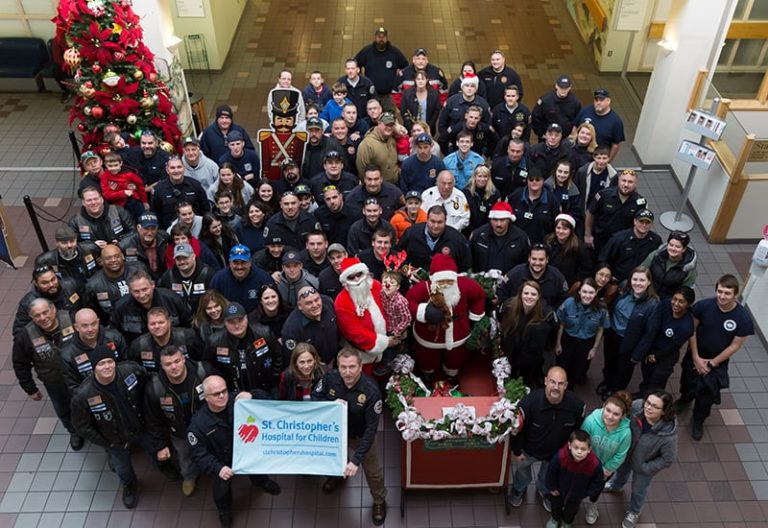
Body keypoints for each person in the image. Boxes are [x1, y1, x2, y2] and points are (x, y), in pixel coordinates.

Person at [70, 345, 164, 509]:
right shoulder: (83, 395)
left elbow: (149, 379)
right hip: (115, 440)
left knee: (154, 448)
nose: (106, 366)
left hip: (141, 427)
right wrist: (106, 442)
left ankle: (162, 465)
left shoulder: (130, 370)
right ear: (94, 368)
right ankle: (129, 486)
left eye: (109, 361)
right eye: (101, 364)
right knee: (122, 468)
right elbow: (82, 426)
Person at [187, 375, 281, 527]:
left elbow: (268, 402)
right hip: (222, 462)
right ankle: (224, 510)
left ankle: (262, 482)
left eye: (224, 390)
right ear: (205, 397)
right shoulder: (199, 423)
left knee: (257, 471)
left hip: (247, 450)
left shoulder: (238, 400)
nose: (222, 396)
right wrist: (218, 468)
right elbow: (198, 452)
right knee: (222, 490)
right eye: (216, 394)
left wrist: (253, 395)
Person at [312, 347, 388, 526]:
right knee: (335, 460)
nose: (347, 372)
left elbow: (371, 428)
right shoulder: (330, 378)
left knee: (373, 472)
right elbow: (315, 398)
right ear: (337, 366)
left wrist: (356, 460)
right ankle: (339, 476)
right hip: (335, 433)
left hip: (360, 436)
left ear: (360, 366)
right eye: (343, 367)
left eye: (352, 366)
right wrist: (331, 404)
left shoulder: (370, 391)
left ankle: (379, 500)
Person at [677, 275, 754, 441]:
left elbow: (735, 346)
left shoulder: (743, 318)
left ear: (735, 295)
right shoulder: (704, 306)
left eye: (727, 293)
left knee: (706, 397)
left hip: (717, 361)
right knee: (687, 382)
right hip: (695, 355)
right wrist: (696, 357)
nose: (722, 296)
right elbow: (692, 331)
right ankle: (685, 399)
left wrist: (712, 363)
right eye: (719, 291)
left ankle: (698, 420)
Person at [508, 366, 585, 510]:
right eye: (552, 382)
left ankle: (544, 491)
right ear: (545, 382)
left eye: (560, 383)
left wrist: (569, 453)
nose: (556, 387)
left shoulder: (576, 406)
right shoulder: (529, 403)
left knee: (548, 475)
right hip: (529, 450)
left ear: (566, 385)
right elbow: (518, 430)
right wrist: (517, 452)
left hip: (555, 453)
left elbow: (577, 430)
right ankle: (519, 488)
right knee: (522, 473)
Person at [143, 345, 216, 497]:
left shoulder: (202, 372)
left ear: (184, 359)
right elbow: (153, 420)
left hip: (208, 427)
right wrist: (161, 445)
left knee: (216, 449)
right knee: (184, 456)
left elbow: (222, 390)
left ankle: (218, 471)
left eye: (177, 361)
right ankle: (189, 477)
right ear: (162, 366)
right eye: (168, 364)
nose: (174, 367)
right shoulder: (155, 387)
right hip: (179, 433)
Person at [12, 299, 83, 450]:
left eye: (45, 312)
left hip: (81, 376)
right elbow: (20, 364)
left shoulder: (71, 319)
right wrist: (30, 388)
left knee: (89, 403)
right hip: (54, 382)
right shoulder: (25, 336)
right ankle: (74, 432)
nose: (43, 318)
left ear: (53, 310)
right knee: (63, 409)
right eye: (37, 315)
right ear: (32, 318)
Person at [405, 254, 486, 384]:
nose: (445, 284)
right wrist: (423, 312)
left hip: (458, 333)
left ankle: (451, 375)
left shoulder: (464, 285)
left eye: (449, 281)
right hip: (429, 334)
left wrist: (475, 316)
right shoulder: (425, 287)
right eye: (441, 281)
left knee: (456, 357)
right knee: (427, 357)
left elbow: (479, 295)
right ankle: (428, 374)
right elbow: (409, 301)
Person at [604, 392, 677, 528]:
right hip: (626, 454)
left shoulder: (668, 436)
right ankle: (616, 486)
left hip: (644, 466)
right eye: (648, 403)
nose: (648, 408)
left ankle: (634, 511)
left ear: (663, 412)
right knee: (621, 473)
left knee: (639, 489)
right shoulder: (636, 407)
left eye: (655, 406)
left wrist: (646, 468)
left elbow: (668, 459)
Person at [599, 267, 660, 398]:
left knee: (623, 370)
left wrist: (637, 356)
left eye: (642, 280)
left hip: (629, 343)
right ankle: (606, 382)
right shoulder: (623, 288)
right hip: (612, 335)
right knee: (609, 362)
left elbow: (649, 335)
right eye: (635, 279)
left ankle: (615, 391)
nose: (637, 283)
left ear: (649, 282)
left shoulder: (653, 305)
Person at [204, 302, 281, 394]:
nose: (237, 325)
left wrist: (274, 379)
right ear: (225, 323)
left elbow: (279, 357)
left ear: (246, 318)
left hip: (266, 389)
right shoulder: (214, 342)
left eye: (240, 320)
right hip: (233, 393)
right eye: (231, 322)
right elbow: (208, 367)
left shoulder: (264, 333)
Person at [580, 391, 632, 525]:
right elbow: (581, 443)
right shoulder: (591, 421)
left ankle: (593, 505)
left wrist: (607, 468)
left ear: (622, 416)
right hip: (584, 464)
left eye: (616, 414)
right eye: (608, 410)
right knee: (578, 485)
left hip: (604, 470)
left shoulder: (625, 433)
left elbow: (620, 454)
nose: (610, 416)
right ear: (603, 406)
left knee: (597, 488)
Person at [334, 257, 394, 375]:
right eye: (351, 277)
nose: (357, 279)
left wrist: (395, 331)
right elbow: (355, 333)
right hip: (362, 354)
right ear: (345, 280)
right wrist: (384, 342)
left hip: (387, 348)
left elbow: (390, 308)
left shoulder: (376, 286)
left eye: (359, 274)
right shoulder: (342, 302)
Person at [639, 286, 695, 397]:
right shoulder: (665, 304)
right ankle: (642, 393)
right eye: (674, 299)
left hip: (665, 356)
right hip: (652, 347)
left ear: (688, 304)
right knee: (647, 374)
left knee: (656, 382)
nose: (675, 303)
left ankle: (652, 400)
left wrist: (656, 356)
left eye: (681, 301)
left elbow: (674, 346)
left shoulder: (686, 326)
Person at [500, 281, 558, 388]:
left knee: (526, 377)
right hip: (512, 350)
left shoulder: (547, 314)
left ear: (538, 296)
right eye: (526, 293)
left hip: (531, 354)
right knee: (510, 373)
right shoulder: (508, 306)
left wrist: (546, 346)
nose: (529, 297)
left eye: (533, 294)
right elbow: (501, 319)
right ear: (520, 294)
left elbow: (553, 332)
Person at [110, 269, 193, 342]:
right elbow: (115, 335)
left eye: (145, 289)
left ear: (152, 285)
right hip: (138, 352)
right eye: (136, 291)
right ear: (129, 290)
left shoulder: (173, 300)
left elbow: (189, 324)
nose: (141, 295)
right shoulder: (121, 307)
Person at [555, 278, 610, 386]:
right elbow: (561, 324)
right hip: (568, 340)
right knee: (562, 367)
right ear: (579, 291)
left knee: (577, 369)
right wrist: (558, 344)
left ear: (596, 292)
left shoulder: (602, 309)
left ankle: (570, 388)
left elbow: (600, 329)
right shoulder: (568, 303)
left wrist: (594, 349)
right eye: (584, 292)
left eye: (591, 292)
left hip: (586, 343)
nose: (587, 295)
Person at [544, 430, 604, 528]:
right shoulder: (560, 457)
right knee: (555, 506)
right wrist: (552, 488)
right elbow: (551, 473)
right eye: (576, 447)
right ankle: (555, 519)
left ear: (589, 449)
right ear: (569, 445)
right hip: (557, 491)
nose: (579, 452)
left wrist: (585, 493)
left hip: (577, 495)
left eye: (583, 449)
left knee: (571, 510)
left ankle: (567, 522)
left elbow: (597, 482)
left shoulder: (595, 465)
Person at [61, 307, 127, 394]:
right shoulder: (68, 354)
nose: (90, 329)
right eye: (85, 326)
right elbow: (74, 386)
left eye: (93, 324)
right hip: (93, 396)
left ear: (98, 322)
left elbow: (126, 364)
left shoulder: (114, 338)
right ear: (76, 327)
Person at [585, 170, 647, 254]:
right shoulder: (604, 195)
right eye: (623, 180)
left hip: (622, 243)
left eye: (630, 182)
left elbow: (641, 223)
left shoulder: (640, 202)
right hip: (601, 240)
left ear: (636, 184)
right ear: (618, 181)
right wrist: (588, 235)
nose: (626, 185)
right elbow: (590, 213)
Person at [397, 205, 472, 272]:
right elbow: (398, 253)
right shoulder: (412, 232)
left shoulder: (457, 239)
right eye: (432, 221)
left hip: (445, 283)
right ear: (427, 220)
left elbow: (466, 266)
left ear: (445, 221)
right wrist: (407, 271)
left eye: (439, 222)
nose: (435, 226)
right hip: (414, 280)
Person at [127, 306, 204, 372]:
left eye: (161, 322)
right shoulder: (138, 345)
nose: (157, 326)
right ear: (147, 325)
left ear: (169, 322)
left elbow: (202, 363)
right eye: (152, 324)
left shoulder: (188, 337)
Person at [84, 243, 146, 324]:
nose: (113, 260)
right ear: (101, 261)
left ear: (123, 256)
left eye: (116, 256)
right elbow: (92, 310)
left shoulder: (139, 269)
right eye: (108, 258)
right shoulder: (93, 285)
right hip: (114, 324)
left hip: (144, 318)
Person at [14, 265, 83, 335]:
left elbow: (87, 306)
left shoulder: (71, 285)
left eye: (53, 279)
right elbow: (19, 331)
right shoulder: (28, 303)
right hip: (49, 339)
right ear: (36, 284)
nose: (51, 284)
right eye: (45, 283)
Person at [599, 209, 662, 284]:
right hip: (618, 281)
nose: (644, 225)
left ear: (651, 224)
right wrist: (610, 278)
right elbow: (603, 259)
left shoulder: (656, 241)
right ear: (635, 221)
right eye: (641, 221)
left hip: (642, 282)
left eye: (647, 222)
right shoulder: (618, 239)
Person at [281, 285, 340, 365]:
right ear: (300, 306)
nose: (315, 305)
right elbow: (293, 361)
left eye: (317, 300)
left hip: (336, 361)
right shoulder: (291, 330)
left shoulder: (328, 302)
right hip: (311, 369)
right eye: (309, 303)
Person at [497, 244, 568, 308]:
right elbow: (502, 292)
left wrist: (551, 316)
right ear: (529, 258)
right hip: (518, 317)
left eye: (541, 259)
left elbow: (563, 301)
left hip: (545, 319)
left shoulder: (557, 277)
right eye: (534, 259)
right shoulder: (515, 273)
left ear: (547, 260)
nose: (537, 263)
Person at [354, 26, 409, 107]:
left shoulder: (394, 52)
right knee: (372, 117)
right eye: (379, 37)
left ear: (387, 38)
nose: (381, 39)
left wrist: (398, 79)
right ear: (375, 37)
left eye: (383, 37)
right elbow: (355, 64)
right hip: (371, 94)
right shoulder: (366, 52)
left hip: (389, 96)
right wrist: (360, 79)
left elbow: (406, 67)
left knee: (388, 119)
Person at [469, 201, 529, 275]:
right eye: (495, 220)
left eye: (502, 220)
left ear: (509, 220)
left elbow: (525, 264)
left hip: (510, 282)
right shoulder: (478, 235)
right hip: (482, 281)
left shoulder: (521, 238)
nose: (498, 224)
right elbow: (469, 260)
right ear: (490, 220)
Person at [210, 245, 273, 313]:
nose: (239, 266)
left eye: (243, 262)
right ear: (229, 262)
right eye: (235, 262)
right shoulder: (218, 279)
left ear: (250, 262)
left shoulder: (264, 279)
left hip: (257, 321)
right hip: (228, 321)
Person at [152, 156, 210, 229]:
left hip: (195, 229)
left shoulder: (195, 185)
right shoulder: (160, 189)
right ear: (167, 170)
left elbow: (205, 209)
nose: (176, 171)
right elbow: (155, 213)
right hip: (170, 232)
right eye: (172, 168)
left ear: (184, 168)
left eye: (179, 167)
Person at [157, 242, 216, 313]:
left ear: (193, 256)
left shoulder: (208, 274)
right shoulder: (168, 276)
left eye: (185, 258)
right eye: (178, 259)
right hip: (180, 319)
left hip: (203, 317)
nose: (182, 262)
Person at [34, 225, 99, 289]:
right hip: (67, 292)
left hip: (90, 288)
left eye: (72, 241)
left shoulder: (90, 249)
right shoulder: (45, 261)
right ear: (56, 243)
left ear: (76, 240)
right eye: (64, 243)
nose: (69, 245)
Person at [69, 187, 135, 249]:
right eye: (89, 200)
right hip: (92, 256)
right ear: (83, 202)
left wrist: (120, 242)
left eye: (96, 199)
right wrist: (93, 246)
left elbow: (134, 231)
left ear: (102, 199)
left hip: (120, 251)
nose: (93, 202)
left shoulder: (118, 211)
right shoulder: (75, 221)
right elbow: (70, 245)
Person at [507, 168, 558, 244]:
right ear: (527, 181)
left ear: (543, 181)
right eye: (531, 179)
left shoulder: (552, 199)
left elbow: (556, 223)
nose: (534, 182)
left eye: (537, 180)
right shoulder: (515, 196)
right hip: (517, 243)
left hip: (542, 245)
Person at [641, 231, 698, 299]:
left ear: (684, 249)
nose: (673, 249)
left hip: (668, 300)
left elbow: (684, 292)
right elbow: (641, 271)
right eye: (671, 245)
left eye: (678, 247)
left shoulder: (689, 269)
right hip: (648, 291)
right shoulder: (656, 255)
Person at [575, 88, 625, 161]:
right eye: (596, 100)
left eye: (601, 100)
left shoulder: (615, 121)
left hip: (598, 158)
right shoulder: (586, 110)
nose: (598, 103)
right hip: (579, 153)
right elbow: (575, 127)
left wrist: (607, 161)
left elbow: (616, 145)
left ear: (608, 101)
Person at [119, 212, 170, 279]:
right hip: (139, 280)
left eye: (153, 229)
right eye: (146, 229)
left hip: (161, 278)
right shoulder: (125, 245)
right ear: (138, 228)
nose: (149, 233)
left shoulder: (164, 238)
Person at [545, 213, 591, 286]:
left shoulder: (580, 247)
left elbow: (586, 269)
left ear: (571, 230)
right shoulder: (548, 242)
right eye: (558, 228)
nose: (560, 231)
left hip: (569, 285)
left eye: (564, 229)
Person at [530, 75, 581, 141]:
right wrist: (541, 134)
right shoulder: (546, 100)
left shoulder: (575, 102)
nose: (563, 90)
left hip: (565, 139)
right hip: (547, 138)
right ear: (556, 86)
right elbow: (535, 117)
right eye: (561, 87)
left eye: (566, 88)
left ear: (570, 87)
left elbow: (577, 120)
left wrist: (573, 134)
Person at [100, 151, 149, 220]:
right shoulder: (104, 176)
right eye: (110, 166)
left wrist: (144, 201)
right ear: (105, 164)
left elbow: (140, 186)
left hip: (133, 201)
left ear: (121, 163)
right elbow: (107, 195)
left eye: (116, 165)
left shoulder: (129, 174)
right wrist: (123, 193)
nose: (113, 168)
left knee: (143, 219)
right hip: (118, 205)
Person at [355, 112, 400, 184]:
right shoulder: (367, 144)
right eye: (386, 124)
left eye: (391, 125)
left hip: (394, 185)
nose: (389, 127)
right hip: (376, 187)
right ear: (379, 124)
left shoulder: (392, 139)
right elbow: (362, 169)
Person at [574, 145, 616, 211]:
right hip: (584, 208)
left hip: (601, 210)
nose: (601, 161)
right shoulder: (582, 172)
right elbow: (575, 190)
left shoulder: (613, 176)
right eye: (599, 158)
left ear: (609, 158)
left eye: (604, 158)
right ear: (594, 157)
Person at [545, 160, 583, 230]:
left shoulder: (573, 189)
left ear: (569, 174)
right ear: (555, 171)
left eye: (566, 172)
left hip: (565, 225)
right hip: (548, 224)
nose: (562, 175)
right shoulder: (546, 186)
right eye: (560, 171)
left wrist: (565, 221)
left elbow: (577, 211)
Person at [462, 164, 500, 233]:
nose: (482, 179)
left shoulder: (494, 194)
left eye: (485, 176)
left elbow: (494, 215)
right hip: (468, 229)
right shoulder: (466, 192)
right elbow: (464, 212)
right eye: (479, 176)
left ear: (489, 178)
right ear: (475, 177)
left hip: (487, 231)